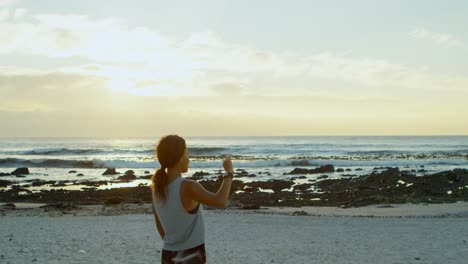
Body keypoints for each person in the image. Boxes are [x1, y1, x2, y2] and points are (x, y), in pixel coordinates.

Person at [150, 135, 234, 264]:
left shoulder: (156, 189)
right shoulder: (188, 187)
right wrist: (228, 172)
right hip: (191, 255)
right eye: (187, 153)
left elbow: (160, 227)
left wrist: (175, 244)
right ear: (180, 157)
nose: (188, 159)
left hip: (168, 254)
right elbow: (220, 201)